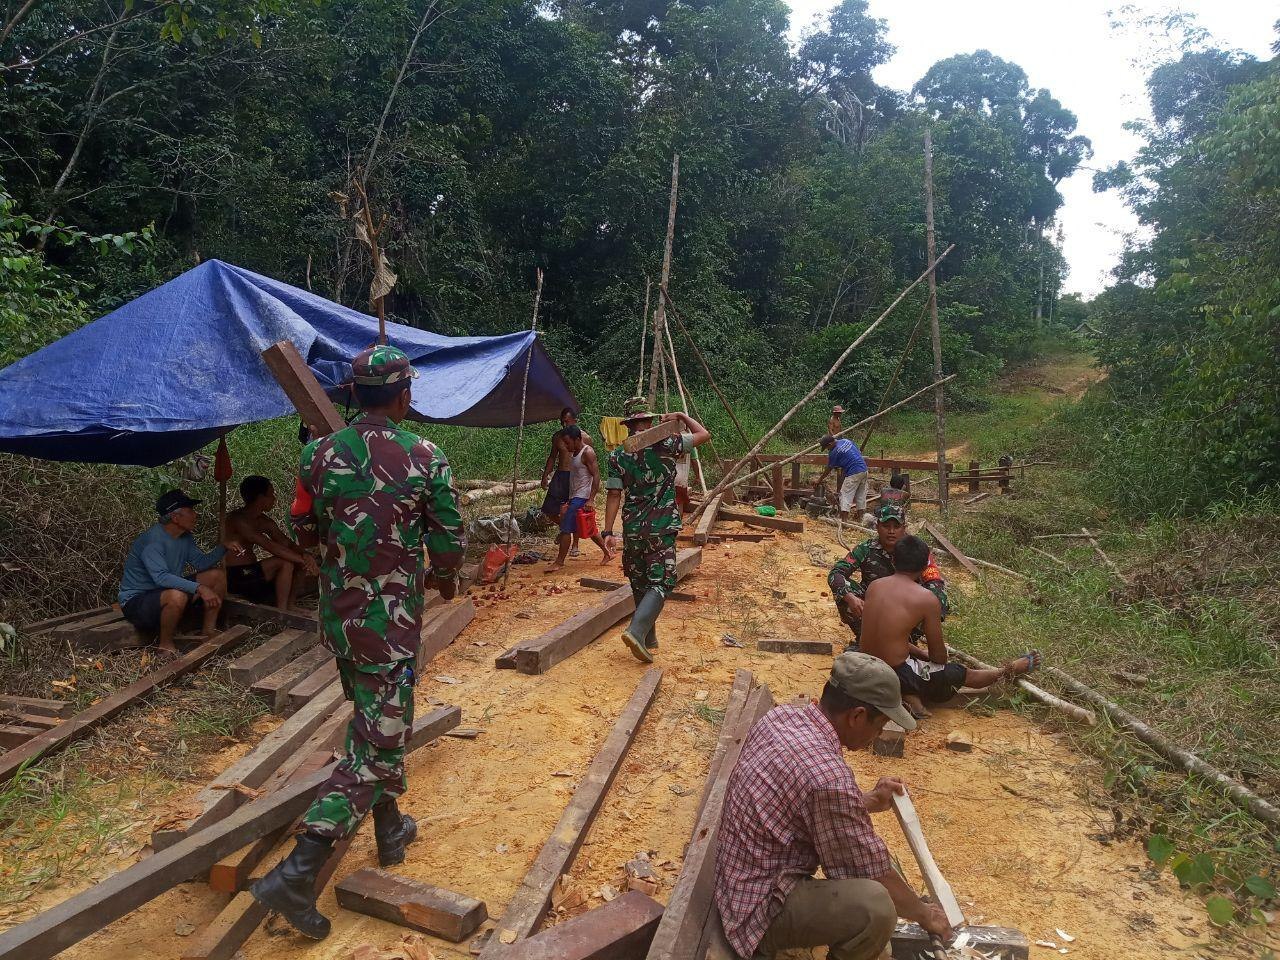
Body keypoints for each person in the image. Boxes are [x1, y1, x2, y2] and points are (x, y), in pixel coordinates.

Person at [251, 345, 466, 939]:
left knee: (374, 722)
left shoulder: (317, 453)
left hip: (341, 619)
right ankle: (294, 875)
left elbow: (303, 524)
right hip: (391, 626)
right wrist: (446, 574)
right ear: (403, 396)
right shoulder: (426, 456)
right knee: (376, 749)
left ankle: (390, 829)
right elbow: (448, 538)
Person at [714, 652, 954, 960]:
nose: (878, 735)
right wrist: (924, 914)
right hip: (756, 909)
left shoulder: (786, 717)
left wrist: (864, 800)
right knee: (876, 908)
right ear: (856, 716)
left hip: (738, 878)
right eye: (879, 725)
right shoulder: (827, 779)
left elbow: (802, 798)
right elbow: (870, 869)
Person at [860, 534, 1040, 718]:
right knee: (959, 673)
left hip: (863, 663)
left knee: (915, 663)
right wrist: (930, 657)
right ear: (924, 567)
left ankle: (910, 695)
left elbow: (885, 638)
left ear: (894, 559)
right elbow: (939, 658)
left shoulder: (875, 586)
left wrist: (920, 653)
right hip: (892, 673)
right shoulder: (926, 598)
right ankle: (1008, 670)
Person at [602, 397, 710, 663]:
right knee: (662, 581)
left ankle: (649, 636)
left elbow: (614, 494)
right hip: (660, 527)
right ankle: (637, 631)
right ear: (649, 422)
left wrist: (607, 532)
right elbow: (703, 434)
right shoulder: (667, 445)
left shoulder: (616, 455)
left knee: (639, 580)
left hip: (632, 528)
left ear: (628, 425)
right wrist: (682, 416)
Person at [118, 489, 242, 655]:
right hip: (137, 602)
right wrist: (199, 588)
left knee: (216, 576)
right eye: (190, 511)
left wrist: (223, 548)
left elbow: (200, 563)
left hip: (164, 593)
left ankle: (208, 631)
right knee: (177, 595)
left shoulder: (185, 537)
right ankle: (165, 645)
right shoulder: (153, 541)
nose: (195, 515)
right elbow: (161, 577)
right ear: (175, 517)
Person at [828, 504, 947, 648]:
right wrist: (850, 597)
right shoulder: (866, 549)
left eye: (896, 527)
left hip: (906, 609)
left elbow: (935, 582)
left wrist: (926, 611)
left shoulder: (916, 549)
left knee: (938, 600)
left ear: (904, 527)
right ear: (877, 526)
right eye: (886, 526)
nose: (891, 531)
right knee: (844, 590)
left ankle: (907, 642)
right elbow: (836, 572)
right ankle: (864, 638)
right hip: (874, 608)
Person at [225, 475, 319, 610]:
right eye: (271, 495)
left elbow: (285, 542)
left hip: (254, 572)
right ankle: (281, 611)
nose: (274, 499)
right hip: (236, 576)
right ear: (260, 498)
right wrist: (302, 560)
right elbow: (269, 545)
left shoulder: (264, 521)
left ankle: (290, 604)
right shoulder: (238, 520)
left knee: (296, 562)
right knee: (286, 562)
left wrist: (305, 555)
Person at [546, 426, 614, 571]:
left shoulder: (587, 452)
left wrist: (591, 499)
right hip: (574, 495)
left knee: (565, 529)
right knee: (589, 528)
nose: (566, 446)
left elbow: (596, 475)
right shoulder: (574, 453)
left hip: (582, 496)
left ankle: (559, 562)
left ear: (577, 439)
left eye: (568, 443)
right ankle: (608, 552)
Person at [541, 408, 593, 555]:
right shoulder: (558, 437)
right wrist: (545, 475)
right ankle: (565, 527)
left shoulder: (585, 438)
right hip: (560, 476)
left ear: (575, 420)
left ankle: (575, 545)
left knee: (574, 511)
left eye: (567, 421)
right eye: (562, 421)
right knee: (549, 510)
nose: (564, 424)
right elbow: (552, 457)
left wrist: (589, 488)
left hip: (575, 478)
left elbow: (591, 462)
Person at [815, 433, 870, 525]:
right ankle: (862, 520)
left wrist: (819, 480)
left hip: (854, 472)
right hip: (864, 469)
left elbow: (828, 469)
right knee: (860, 496)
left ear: (829, 444)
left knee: (845, 495)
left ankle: (844, 521)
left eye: (827, 448)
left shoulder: (834, 452)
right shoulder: (846, 441)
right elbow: (855, 453)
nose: (828, 449)